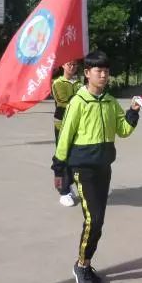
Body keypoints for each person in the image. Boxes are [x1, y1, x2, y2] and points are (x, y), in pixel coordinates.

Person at [52, 50, 141, 283]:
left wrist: (133, 112)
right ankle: (81, 265)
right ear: (87, 74)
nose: (103, 75)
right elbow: (65, 136)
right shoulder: (78, 103)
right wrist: (59, 168)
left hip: (104, 168)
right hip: (83, 169)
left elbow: (123, 130)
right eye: (98, 71)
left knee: (98, 221)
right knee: (94, 219)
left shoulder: (111, 103)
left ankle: (87, 262)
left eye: (106, 71)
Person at [51, 60, 82, 207]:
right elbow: (63, 101)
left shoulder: (79, 83)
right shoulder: (58, 83)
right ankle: (64, 191)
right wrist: (82, 99)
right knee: (63, 156)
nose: (72, 67)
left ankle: (70, 185)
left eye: (75, 65)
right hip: (62, 124)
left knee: (76, 156)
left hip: (78, 125)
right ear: (63, 65)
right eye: (69, 64)